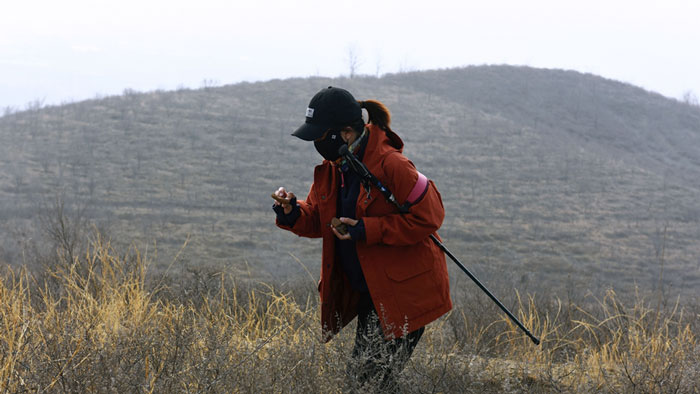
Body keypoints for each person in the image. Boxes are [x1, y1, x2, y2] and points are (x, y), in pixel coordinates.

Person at [272, 86, 451, 391]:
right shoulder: (333, 168)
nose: (315, 143)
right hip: (374, 292)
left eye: (319, 136)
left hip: (405, 293)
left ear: (345, 133)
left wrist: (366, 229)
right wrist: (292, 212)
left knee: (363, 384)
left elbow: (430, 217)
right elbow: (318, 218)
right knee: (369, 383)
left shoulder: (394, 165)